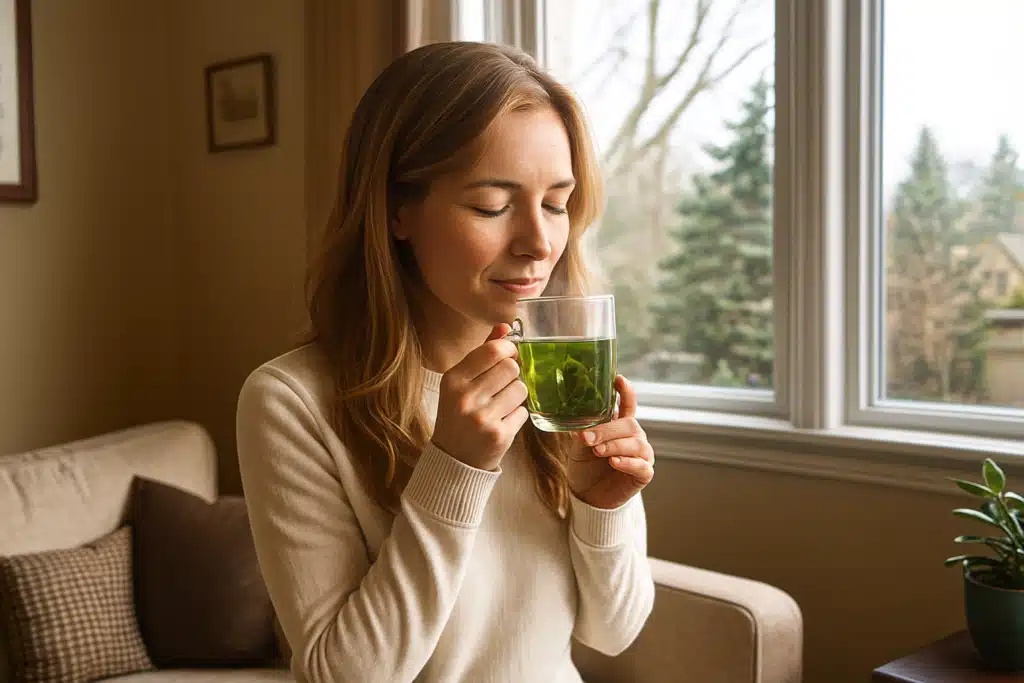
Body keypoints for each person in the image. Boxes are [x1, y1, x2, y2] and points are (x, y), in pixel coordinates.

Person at [235, 41, 656, 683]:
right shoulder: (291, 402)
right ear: (397, 210)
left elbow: (614, 630)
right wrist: (453, 468)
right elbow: (345, 675)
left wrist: (603, 507)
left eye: (556, 203)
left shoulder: (561, 378)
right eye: (491, 205)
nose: (538, 243)